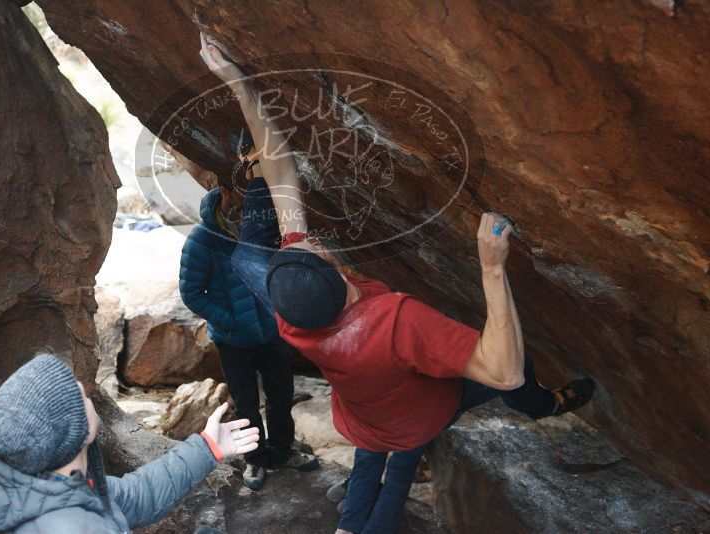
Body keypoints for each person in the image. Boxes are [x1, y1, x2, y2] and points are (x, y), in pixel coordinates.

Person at [199, 33, 595, 534]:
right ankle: (545, 407)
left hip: (363, 416)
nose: (309, 239)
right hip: (422, 414)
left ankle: (348, 528)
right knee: (515, 365)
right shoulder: (394, 320)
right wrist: (492, 267)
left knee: (372, 457)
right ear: (339, 272)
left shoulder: (290, 300)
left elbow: (281, 172)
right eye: (314, 246)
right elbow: (504, 373)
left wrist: (239, 85)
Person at [0, 353, 258, 533]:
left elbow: (136, 495)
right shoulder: (71, 527)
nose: (88, 396)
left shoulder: (54, 486)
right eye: (80, 396)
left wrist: (207, 447)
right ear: (77, 432)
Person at [179, 133, 318, 491]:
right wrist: (228, 319)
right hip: (233, 339)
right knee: (246, 402)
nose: (244, 198)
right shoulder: (202, 241)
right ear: (223, 193)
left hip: (271, 332)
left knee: (281, 394)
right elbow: (192, 292)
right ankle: (254, 460)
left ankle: (283, 450)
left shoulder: (260, 226)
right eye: (236, 192)